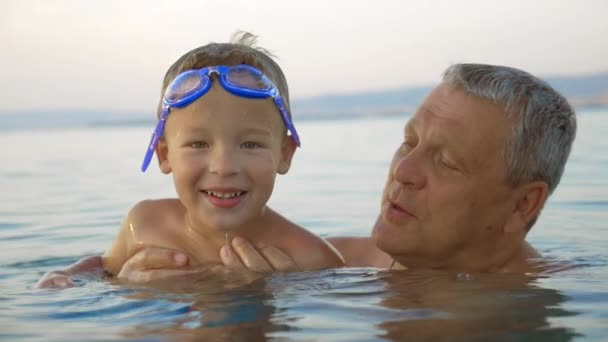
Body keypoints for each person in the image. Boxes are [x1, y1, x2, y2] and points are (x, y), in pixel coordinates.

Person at [38, 62, 576, 287]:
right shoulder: (342, 264)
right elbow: (107, 272)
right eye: (408, 142)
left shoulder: (559, 299)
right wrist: (90, 280)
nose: (402, 170)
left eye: (447, 161)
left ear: (523, 205)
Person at [36, 32, 343, 288]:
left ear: (285, 154)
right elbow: (104, 267)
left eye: (250, 144)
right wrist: (66, 276)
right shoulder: (144, 225)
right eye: (198, 144)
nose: (223, 167)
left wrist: (283, 289)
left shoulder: (310, 258)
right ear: (165, 154)